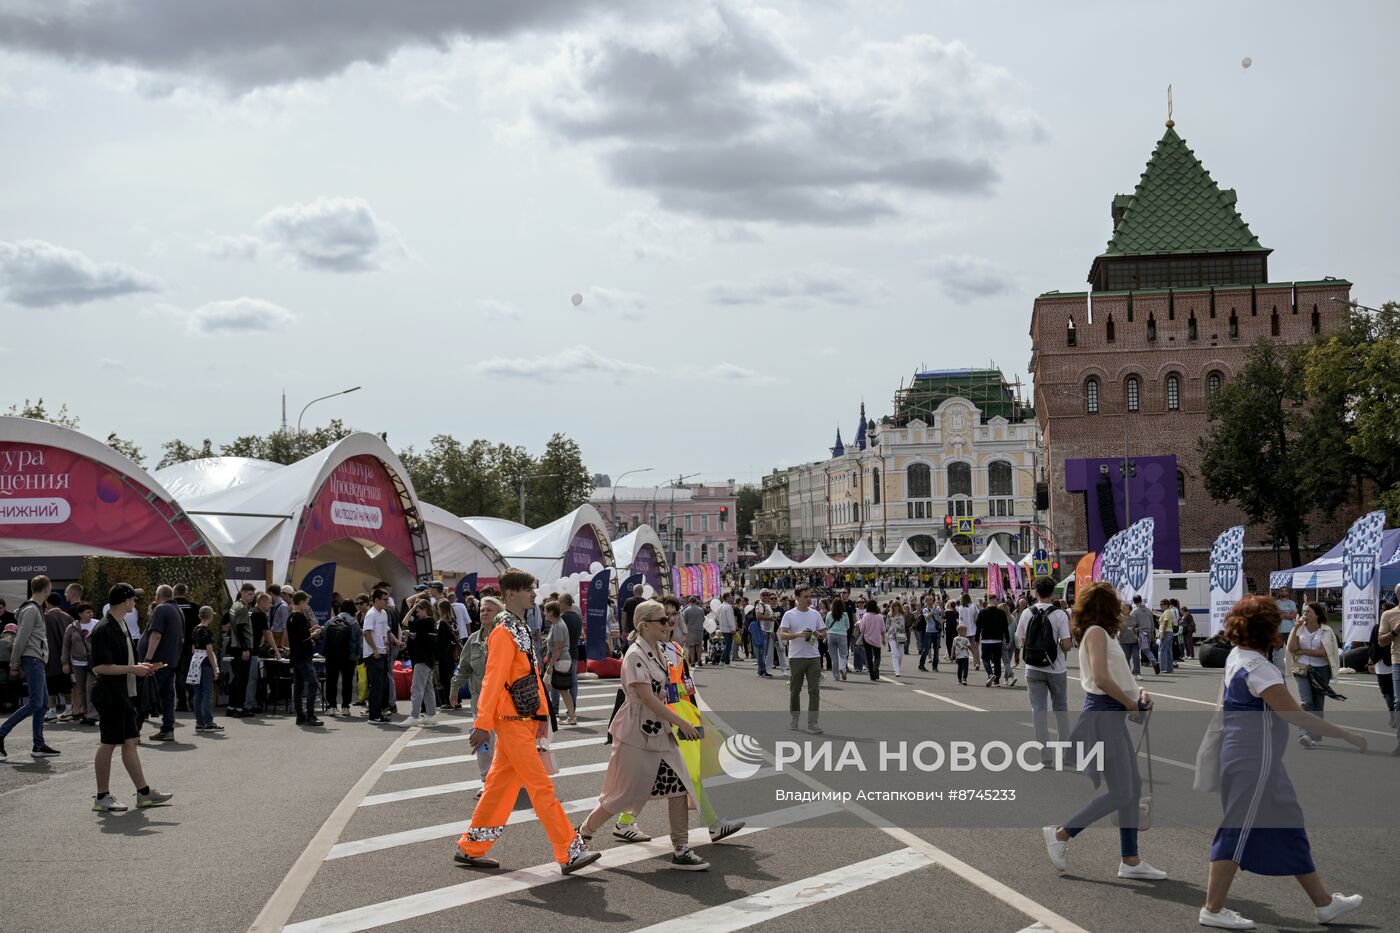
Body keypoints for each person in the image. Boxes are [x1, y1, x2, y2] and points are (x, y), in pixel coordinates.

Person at [1198, 595, 1365, 930]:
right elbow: (1296, 716)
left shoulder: (1238, 655)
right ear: (1268, 628)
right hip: (1253, 760)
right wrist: (1344, 734)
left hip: (1254, 758)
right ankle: (1212, 909)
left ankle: (1324, 903)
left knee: (1289, 824)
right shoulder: (1259, 668)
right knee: (1238, 828)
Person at [454, 568, 600, 875]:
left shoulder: (516, 626)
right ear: (511, 593)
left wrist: (540, 717)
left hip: (518, 718)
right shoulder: (505, 630)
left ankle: (471, 847)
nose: (534, 594)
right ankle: (568, 850)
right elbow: (493, 679)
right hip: (511, 719)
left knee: (499, 787)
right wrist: (482, 723)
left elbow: (527, 678)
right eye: (528, 589)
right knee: (540, 787)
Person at [1042, 582, 1165, 882]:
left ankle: (1130, 860)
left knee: (1131, 789)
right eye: (1116, 600)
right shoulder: (1097, 633)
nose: (1121, 604)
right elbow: (1100, 678)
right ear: (1106, 605)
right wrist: (1132, 703)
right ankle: (1061, 833)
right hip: (1104, 716)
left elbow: (1115, 678)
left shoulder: (1100, 633)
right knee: (1124, 791)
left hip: (1110, 715)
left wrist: (1139, 694)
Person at [578, 600, 711, 870]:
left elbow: (667, 690)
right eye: (662, 620)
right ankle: (582, 835)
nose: (668, 623)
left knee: (679, 786)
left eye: (668, 619)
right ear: (644, 625)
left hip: (660, 732)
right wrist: (682, 723)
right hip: (637, 733)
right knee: (620, 795)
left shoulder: (659, 649)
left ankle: (681, 848)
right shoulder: (635, 655)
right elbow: (647, 699)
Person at [89, 583, 172, 812]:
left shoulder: (121, 623)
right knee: (108, 743)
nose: (135, 603)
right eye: (133, 599)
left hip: (123, 693)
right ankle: (102, 796)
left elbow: (123, 661)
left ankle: (144, 793)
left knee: (130, 741)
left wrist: (139, 666)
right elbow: (99, 667)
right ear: (125, 601)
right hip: (110, 695)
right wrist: (132, 669)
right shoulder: (105, 628)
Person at [0, 575, 60, 761]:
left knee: (41, 704)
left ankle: (38, 744)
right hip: (33, 660)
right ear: (47, 589)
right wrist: (14, 662)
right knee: (36, 703)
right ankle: (1, 733)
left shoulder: (34, 609)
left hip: (36, 660)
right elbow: (21, 638)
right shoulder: (32, 610)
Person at [1018, 577, 1074, 765]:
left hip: (1032, 668)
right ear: (1053, 593)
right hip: (1056, 668)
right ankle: (1066, 754)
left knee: (1039, 711)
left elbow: (1022, 641)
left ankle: (1045, 756)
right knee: (1060, 708)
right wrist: (1057, 644)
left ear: (1035, 592)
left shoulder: (1027, 613)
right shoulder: (1060, 614)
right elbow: (1066, 645)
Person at [451, 596, 502, 780]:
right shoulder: (473, 639)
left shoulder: (504, 637)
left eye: (489, 610)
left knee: (505, 744)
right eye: (482, 610)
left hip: (503, 702)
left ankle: (509, 779)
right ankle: (486, 779)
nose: (484, 613)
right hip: (479, 702)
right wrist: (454, 688)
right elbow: (463, 667)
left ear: (499, 613)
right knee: (483, 743)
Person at [1285, 602, 1338, 749]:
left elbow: (1322, 652)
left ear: (1317, 614)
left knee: (1317, 704)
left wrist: (1302, 651)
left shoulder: (1326, 631)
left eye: (1308, 612)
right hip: (1302, 669)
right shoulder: (1299, 629)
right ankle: (1304, 733)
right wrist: (1295, 627)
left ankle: (1315, 733)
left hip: (1321, 670)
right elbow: (1292, 648)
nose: (1305, 615)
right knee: (1306, 702)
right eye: (1304, 612)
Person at [780, 585, 826, 733]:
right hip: (796, 657)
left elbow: (824, 632)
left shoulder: (815, 614)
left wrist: (819, 635)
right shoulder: (789, 614)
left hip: (813, 656)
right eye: (805, 596)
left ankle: (813, 723)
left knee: (814, 691)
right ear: (797, 597)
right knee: (795, 690)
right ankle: (794, 718)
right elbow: (783, 635)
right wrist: (798, 634)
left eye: (809, 596)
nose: (809, 599)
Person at [286, 591, 324, 727]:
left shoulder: (291, 618)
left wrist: (310, 630)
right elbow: (304, 638)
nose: (307, 606)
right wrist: (315, 633)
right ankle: (310, 714)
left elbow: (298, 635)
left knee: (298, 686)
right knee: (313, 684)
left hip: (295, 656)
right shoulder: (300, 617)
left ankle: (300, 715)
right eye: (307, 603)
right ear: (301, 602)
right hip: (303, 657)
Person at [401, 596, 437, 726]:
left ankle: (414, 716)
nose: (417, 614)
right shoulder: (431, 623)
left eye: (418, 611)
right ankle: (431, 715)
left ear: (425, 610)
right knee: (428, 689)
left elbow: (405, 621)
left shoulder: (424, 623)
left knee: (416, 688)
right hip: (428, 660)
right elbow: (424, 637)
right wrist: (413, 635)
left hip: (422, 660)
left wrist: (414, 606)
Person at [322, 600, 359, 717]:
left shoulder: (330, 621)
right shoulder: (354, 623)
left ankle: (331, 707)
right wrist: (356, 655)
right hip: (348, 656)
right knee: (347, 681)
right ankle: (345, 707)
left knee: (331, 680)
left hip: (332, 656)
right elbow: (357, 641)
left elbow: (324, 635)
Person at [189, 606, 223, 733]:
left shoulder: (195, 629)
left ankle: (199, 722)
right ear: (211, 617)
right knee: (207, 693)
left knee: (198, 693)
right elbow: (209, 650)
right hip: (205, 662)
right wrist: (215, 668)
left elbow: (193, 647)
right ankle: (208, 722)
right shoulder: (207, 631)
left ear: (199, 616)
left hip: (196, 660)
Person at [62, 603, 96, 725]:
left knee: (90, 687)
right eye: (87, 612)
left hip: (93, 663)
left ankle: (93, 715)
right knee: (81, 689)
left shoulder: (96, 624)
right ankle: (86, 713)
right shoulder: (72, 627)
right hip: (77, 663)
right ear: (80, 614)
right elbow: (66, 646)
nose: (90, 614)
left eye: (91, 611)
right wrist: (65, 662)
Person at [546, 600, 579, 726]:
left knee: (556, 688)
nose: (544, 613)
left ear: (551, 613)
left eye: (546, 611)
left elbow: (558, 648)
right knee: (561, 690)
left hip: (560, 661)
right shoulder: (557, 624)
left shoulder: (558, 626)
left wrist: (550, 664)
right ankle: (570, 716)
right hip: (562, 660)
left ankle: (569, 716)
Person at [225, 584, 256, 717]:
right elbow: (241, 629)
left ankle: (231, 706)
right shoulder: (242, 608)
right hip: (242, 647)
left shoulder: (235, 605)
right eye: (249, 594)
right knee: (242, 679)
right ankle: (239, 708)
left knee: (236, 678)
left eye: (253, 594)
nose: (251, 597)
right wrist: (245, 649)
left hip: (235, 646)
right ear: (242, 592)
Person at [362, 589, 392, 723]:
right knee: (376, 685)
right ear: (376, 600)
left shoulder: (383, 613)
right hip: (373, 654)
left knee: (382, 685)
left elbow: (385, 631)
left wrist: (391, 642)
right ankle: (373, 715)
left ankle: (378, 712)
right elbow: (366, 632)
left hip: (382, 652)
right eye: (384, 599)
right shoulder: (371, 613)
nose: (387, 601)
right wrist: (374, 649)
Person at [43, 594, 73, 721]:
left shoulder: (46, 617)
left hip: (51, 657)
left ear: (47, 602)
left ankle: (52, 712)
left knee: (51, 687)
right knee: (67, 686)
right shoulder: (68, 617)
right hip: (67, 658)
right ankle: (69, 709)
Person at [171, 584, 199, 714]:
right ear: (186, 592)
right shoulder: (194, 607)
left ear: (174, 592)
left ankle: (181, 703)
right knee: (190, 673)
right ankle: (193, 701)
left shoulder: (170, 607)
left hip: (174, 645)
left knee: (178, 674)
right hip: (190, 645)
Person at [1380, 594, 1400, 754]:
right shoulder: (1388, 614)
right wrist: (1395, 632)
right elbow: (1381, 641)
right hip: (1398, 661)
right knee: (1398, 702)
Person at [977, 597, 1010, 687]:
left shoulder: (982, 612)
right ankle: (997, 681)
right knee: (997, 660)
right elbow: (1005, 627)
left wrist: (976, 639)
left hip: (986, 639)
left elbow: (978, 626)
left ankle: (990, 674)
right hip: (997, 639)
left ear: (988, 601)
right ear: (996, 601)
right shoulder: (1001, 613)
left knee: (985, 659)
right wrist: (1007, 639)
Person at [1272, 586, 1298, 673]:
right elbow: (1275, 616)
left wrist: (1282, 614)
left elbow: (1294, 616)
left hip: (1290, 630)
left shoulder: (1292, 603)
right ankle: (1275, 669)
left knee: (1291, 650)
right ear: (1279, 592)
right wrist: (1287, 614)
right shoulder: (1276, 603)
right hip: (1278, 630)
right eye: (1282, 591)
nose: (1284, 593)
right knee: (1277, 650)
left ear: (1288, 593)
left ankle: (1294, 668)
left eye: (1285, 591)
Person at [858, 599, 885, 682]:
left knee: (869, 657)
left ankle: (872, 675)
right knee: (877, 656)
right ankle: (875, 667)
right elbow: (883, 629)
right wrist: (883, 638)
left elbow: (862, 628)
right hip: (877, 639)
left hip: (867, 638)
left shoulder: (865, 616)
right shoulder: (880, 616)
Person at [1122, 595, 1149, 677]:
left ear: (1130, 610)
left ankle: (1137, 672)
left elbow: (1138, 626)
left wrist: (1137, 629)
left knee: (1136, 656)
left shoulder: (1134, 618)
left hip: (1134, 641)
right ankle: (1127, 674)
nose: (1123, 610)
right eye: (1123, 609)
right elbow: (1117, 628)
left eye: (1125, 609)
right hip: (1124, 641)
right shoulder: (1120, 619)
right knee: (1126, 658)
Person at [825, 598, 851, 681]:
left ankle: (836, 676)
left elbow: (827, 625)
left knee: (834, 657)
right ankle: (842, 668)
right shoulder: (845, 615)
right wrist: (842, 629)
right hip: (842, 635)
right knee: (843, 654)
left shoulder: (829, 614)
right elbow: (848, 626)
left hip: (831, 635)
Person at [681, 596, 706, 668]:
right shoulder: (701, 610)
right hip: (699, 629)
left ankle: (692, 661)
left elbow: (684, 621)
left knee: (691, 646)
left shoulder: (686, 610)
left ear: (689, 602)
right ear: (695, 601)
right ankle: (699, 660)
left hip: (690, 630)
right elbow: (703, 619)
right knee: (699, 645)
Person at [715, 592, 737, 665]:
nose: (732, 598)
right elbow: (730, 619)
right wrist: (733, 629)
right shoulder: (728, 607)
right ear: (727, 597)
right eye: (730, 596)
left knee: (727, 645)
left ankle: (722, 660)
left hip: (723, 628)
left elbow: (718, 617)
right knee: (728, 646)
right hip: (728, 629)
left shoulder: (720, 607)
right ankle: (726, 661)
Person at [885, 600, 905, 677]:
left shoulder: (902, 614)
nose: (896, 607)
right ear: (892, 607)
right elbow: (887, 625)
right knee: (894, 653)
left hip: (900, 634)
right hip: (891, 635)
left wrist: (901, 629)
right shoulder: (889, 615)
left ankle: (898, 668)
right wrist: (891, 629)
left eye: (897, 605)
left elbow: (903, 624)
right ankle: (897, 671)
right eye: (894, 606)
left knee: (900, 653)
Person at [1156, 598, 1176, 675]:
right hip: (1170, 632)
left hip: (1166, 632)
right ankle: (1169, 668)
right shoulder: (1168, 612)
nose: (1160, 606)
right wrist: (1154, 612)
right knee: (1168, 651)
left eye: (1162, 604)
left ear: (1166, 605)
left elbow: (1166, 622)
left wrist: (1162, 633)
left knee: (1162, 650)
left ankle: (1163, 668)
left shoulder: (1167, 612)